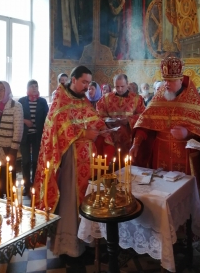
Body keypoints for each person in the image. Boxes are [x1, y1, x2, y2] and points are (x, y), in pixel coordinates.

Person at [129, 57, 200, 221]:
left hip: (186, 155)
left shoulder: (193, 99)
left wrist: (187, 133)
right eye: (165, 80)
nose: (166, 84)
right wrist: (137, 143)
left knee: (183, 196)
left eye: (171, 81)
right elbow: (145, 124)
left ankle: (186, 228)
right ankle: (161, 224)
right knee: (160, 193)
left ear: (181, 79)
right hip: (161, 155)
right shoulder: (159, 97)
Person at [34, 66, 114, 257]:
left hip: (89, 158)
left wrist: (105, 129)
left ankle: (86, 241)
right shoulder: (60, 99)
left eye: (89, 83)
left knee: (89, 197)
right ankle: (70, 245)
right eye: (84, 82)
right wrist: (82, 133)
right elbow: (56, 128)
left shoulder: (83, 100)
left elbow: (92, 118)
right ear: (73, 80)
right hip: (71, 159)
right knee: (71, 198)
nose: (87, 86)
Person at [97, 73, 145, 163]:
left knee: (127, 166)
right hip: (111, 138)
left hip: (129, 139)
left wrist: (128, 120)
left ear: (127, 84)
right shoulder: (106, 98)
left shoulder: (137, 99)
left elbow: (143, 116)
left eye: (122, 86)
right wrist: (107, 120)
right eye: (117, 86)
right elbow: (99, 115)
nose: (119, 89)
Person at [18, 80, 49, 196]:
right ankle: (26, 185)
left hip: (38, 135)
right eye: (32, 86)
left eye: (36, 86)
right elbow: (17, 116)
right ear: (27, 88)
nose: (34, 88)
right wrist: (25, 121)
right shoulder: (21, 101)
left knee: (36, 161)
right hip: (25, 135)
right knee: (25, 161)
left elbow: (47, 116)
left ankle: (35, 184)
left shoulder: (42, 101)